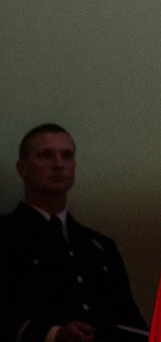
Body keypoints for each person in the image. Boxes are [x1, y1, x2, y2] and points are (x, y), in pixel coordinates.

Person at [0, 124, 148, 342]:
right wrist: (53, 335)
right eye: (46, 155)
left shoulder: (100, 246)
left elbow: (129, 321)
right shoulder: (5, 235)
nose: (59, 164)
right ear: (23, 168)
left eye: (67, 156)